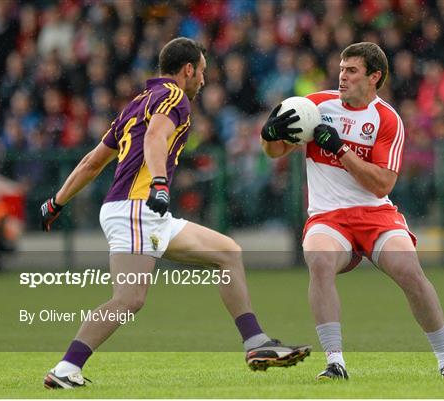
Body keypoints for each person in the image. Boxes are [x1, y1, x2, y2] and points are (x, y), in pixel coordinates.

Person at [40, 37, 310, 390]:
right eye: (202, 72)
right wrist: (161, 184)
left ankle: (255, 343)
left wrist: (57, 202)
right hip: (138, 208)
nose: (203, 80)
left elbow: (93, 162)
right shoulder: (174, 97)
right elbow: (155, 137)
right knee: (128, 299)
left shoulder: (135, 104)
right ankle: (66, 368)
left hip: (137, 210)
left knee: (228, 253)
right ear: (188, 70)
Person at [260, 42, 444, 380]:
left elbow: (382, 184)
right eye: (341, 69)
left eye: (351, 71)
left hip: (375, 215)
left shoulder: (387, 119)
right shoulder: (316, 106)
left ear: (374, 77)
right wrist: (269, 134)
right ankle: (335, 362)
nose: (342, 76)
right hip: (328, 218)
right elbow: (275, 151)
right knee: (319, 260)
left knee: (410, 271)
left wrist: (339, 148)